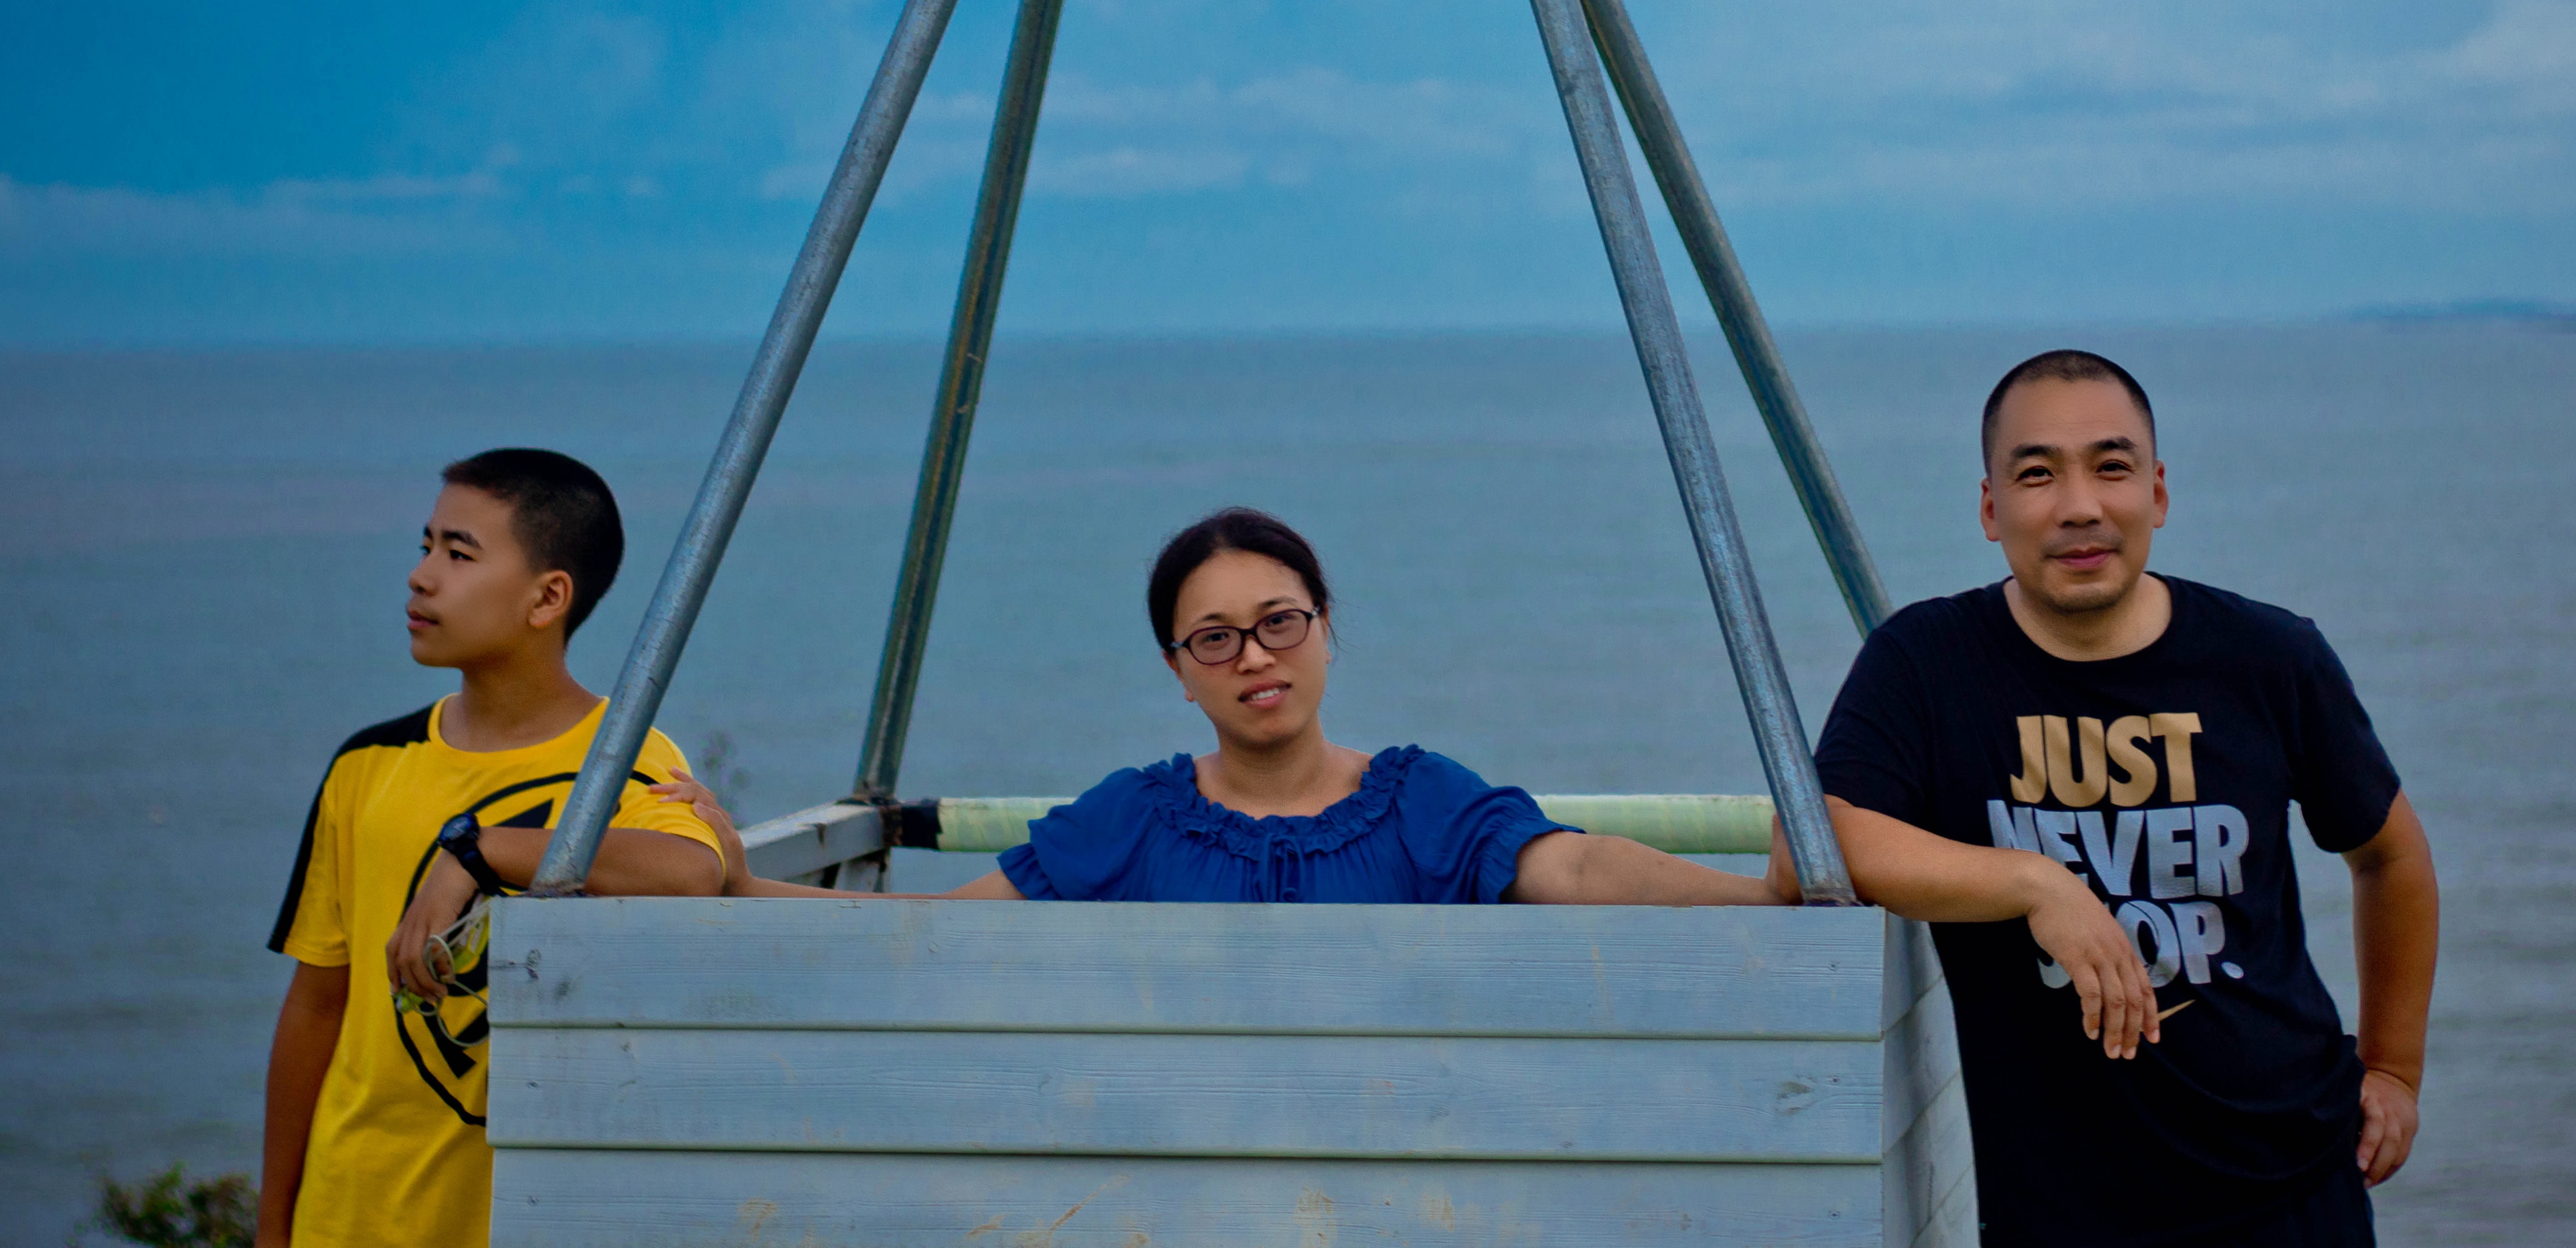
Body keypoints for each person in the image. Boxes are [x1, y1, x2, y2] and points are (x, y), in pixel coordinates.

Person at [1771, 350, 2439, 1247]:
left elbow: (2387, 854)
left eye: (2111, 467)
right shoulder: (1926, 664)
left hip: (2290, 1186)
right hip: (2061, 1213)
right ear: (1989, 508)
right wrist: (2036, 886)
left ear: (2156, 493)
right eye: (2037, 472)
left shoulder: (2268, 658)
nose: (2078, 504)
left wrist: (2393, 1068)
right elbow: (1809, 844)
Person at [666, 506, 1777, 907]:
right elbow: (941, 926)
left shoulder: (1420, 797)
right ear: (1179, 669)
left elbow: (1576, 865)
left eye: (1280, 619)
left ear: (1326, 627)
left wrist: (1764, 896)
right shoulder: (1134, 816)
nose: (1255, 654)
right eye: (1216, 636)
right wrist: (742, 881)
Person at [259, 449, 727, 1248]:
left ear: (548, 596)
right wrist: (274, 1224)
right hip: (348, 1215)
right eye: (425, 545)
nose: (421, 575)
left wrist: (479, 852)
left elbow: (696, 872)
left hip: (515, 1220)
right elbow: (317, 1004)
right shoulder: (369, 765)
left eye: (458, 553)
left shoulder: (621, 761)